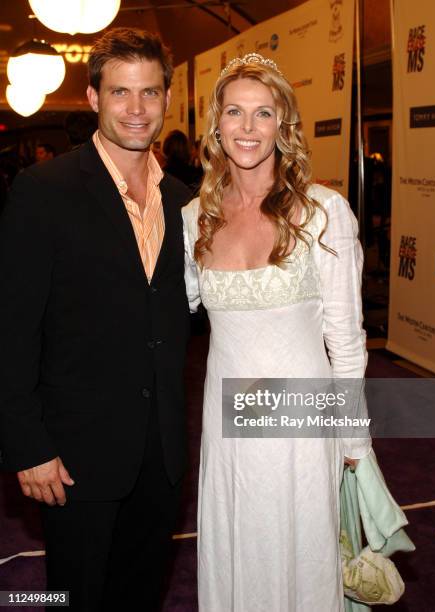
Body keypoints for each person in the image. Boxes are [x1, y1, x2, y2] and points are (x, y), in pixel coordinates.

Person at [0, 27, 191, 611]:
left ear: (166, 99)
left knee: (142, 593)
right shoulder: (44, 190)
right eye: (120, 93)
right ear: (92, 98)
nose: (137, 110)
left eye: (150, 93)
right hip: (74, 453)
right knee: (74, 597)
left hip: (161, 451)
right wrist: (27, 445)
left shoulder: (187, 201)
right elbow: (11, 329)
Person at [182, 54, 371, 610]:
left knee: (302, 554)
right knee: (237, 544)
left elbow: (346, 337)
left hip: (300, 424)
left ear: (282, 124)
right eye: (234, 112)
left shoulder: (323, 211)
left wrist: (353, 438)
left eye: (262, 113)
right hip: (226, 421)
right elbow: (172, 307)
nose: (247, 128)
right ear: (216, 123)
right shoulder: (195, 217)